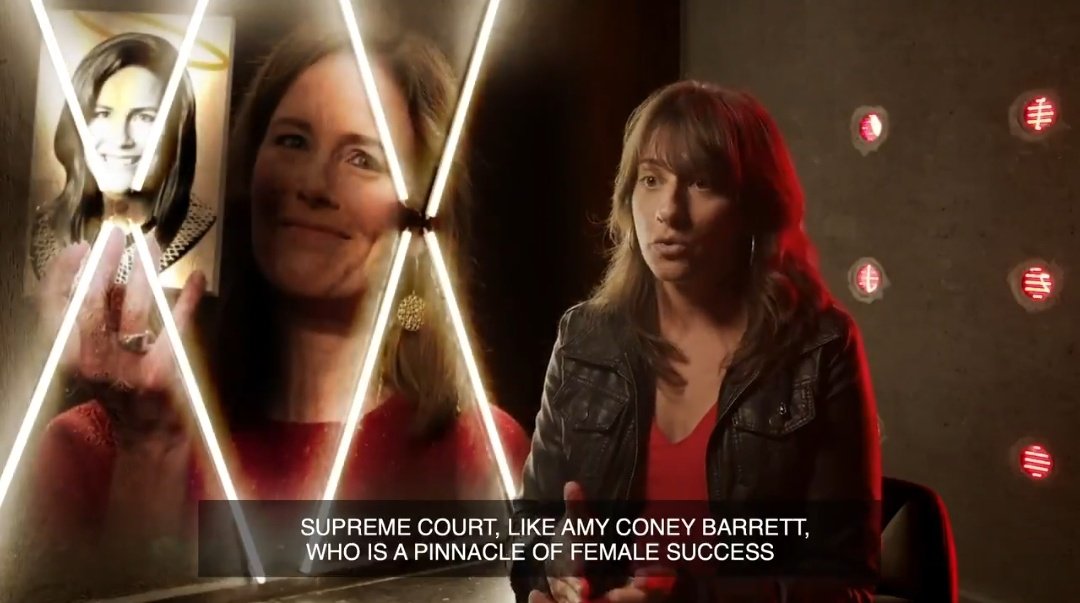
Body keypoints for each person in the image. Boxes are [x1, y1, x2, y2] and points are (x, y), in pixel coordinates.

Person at [29, 21, 528, 568]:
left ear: (422, 215)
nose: (313, 185)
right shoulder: (88, 450)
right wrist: (148, 451)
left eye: (362, 158)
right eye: (293, 141)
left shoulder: (480, 456)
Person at [511, 82, 882, 602]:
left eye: (703, 183)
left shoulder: (820, 349)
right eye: (651, 180)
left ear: (755, 208)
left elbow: (845, 584)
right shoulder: (584, 338)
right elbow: (530, 535)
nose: (669, 211)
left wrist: (690, 599)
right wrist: (554, 568)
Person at [30, 32, 214, 284]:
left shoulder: (198, 230)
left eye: (144, 117)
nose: (120, 138)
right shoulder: (46, 231)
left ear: (178, 130)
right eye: (102, 114)